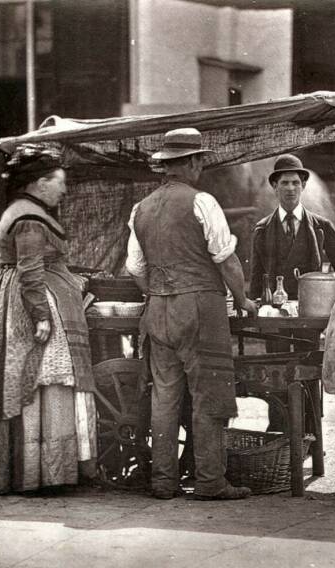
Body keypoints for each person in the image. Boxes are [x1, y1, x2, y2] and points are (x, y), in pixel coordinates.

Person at [126, 127, 257, 501]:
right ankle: (210, 481)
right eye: (200, 159)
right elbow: (226, 260)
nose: (201, 165)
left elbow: (135, 268)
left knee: (164, 398)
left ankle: (163, 482)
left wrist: (159, 291)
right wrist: (244, 300)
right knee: (208, 396)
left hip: (157, 310)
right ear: (191, 162)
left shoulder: (141, 208)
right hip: (199, 310)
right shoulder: (203, 202)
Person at [0, 150, 97, 495]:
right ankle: (40, 475)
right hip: (29, 304)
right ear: (41, 183)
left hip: (21, 299)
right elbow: (30, 271)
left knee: (34, 381)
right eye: (60, 183)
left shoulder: (25, 211)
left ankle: (35, 472)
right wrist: (41, 316)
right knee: (42, 380)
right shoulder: (28, 217)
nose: (64, 190)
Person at [249, 154, 335, 431]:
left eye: (295, 182)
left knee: (307, 368)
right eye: (284, 183)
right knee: (276, 369)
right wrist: (257, 310)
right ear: (275, 188)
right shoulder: (262, 230)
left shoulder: (320, 227)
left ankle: (310, 431)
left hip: (308, 314)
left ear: (303, 186)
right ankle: (279, 430)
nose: (290, 188)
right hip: (275, 316)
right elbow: (256, 277)